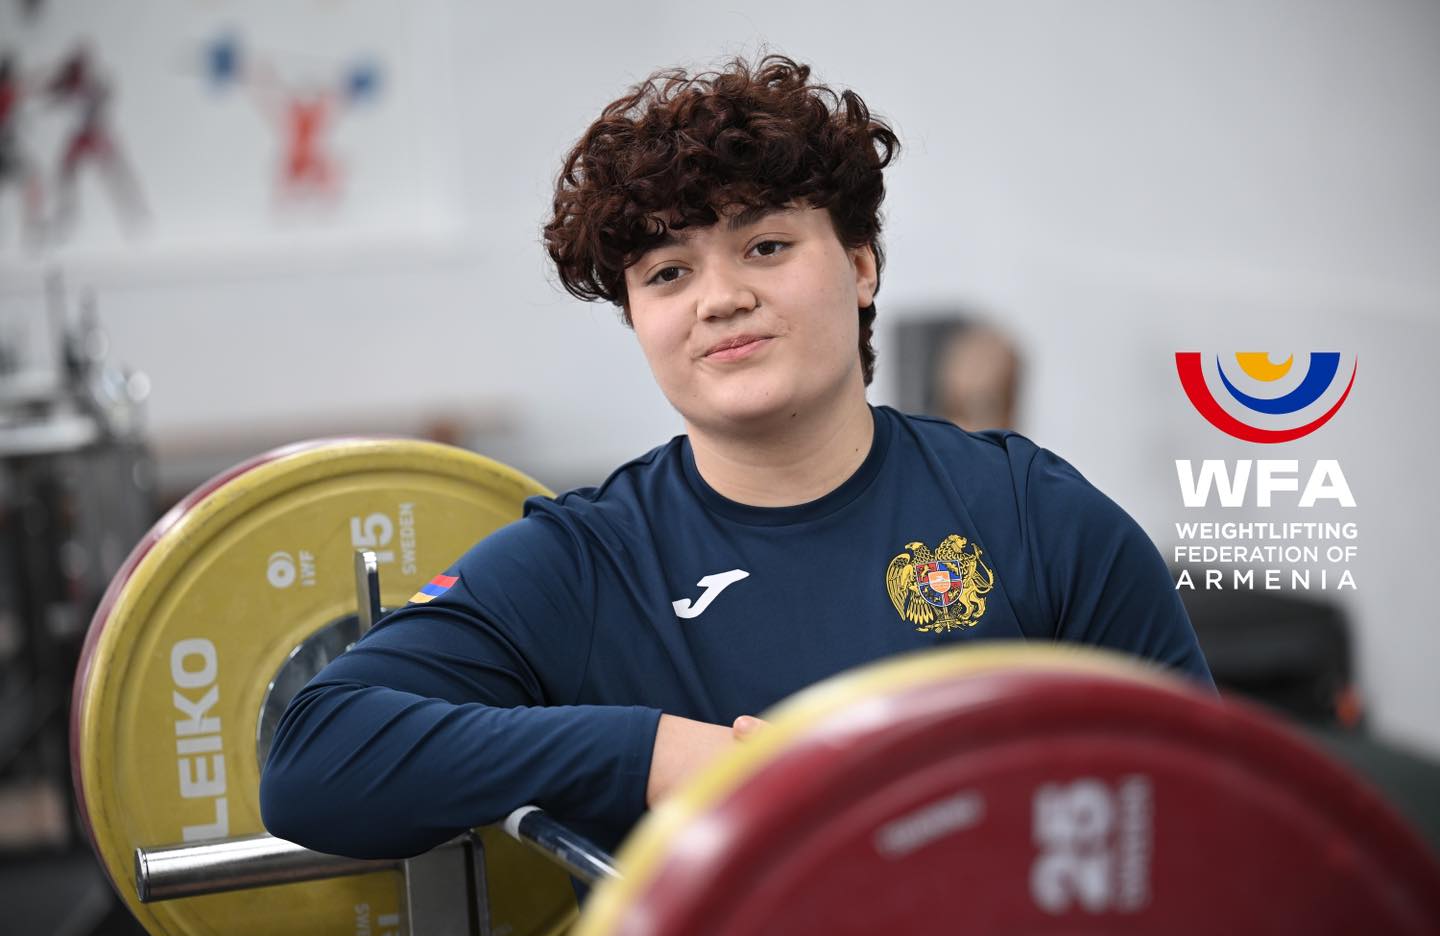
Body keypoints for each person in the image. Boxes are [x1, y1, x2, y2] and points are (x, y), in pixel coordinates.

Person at [260, 54, 1214, 863]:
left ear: (861, 265)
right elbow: (312, 759)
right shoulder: (587, 565)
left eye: (765, 246)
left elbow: (1212, 817)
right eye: (668, 273)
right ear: (638, 318)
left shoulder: (1029, 515)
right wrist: (653, 756)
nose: (719, 299)